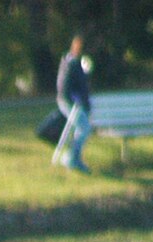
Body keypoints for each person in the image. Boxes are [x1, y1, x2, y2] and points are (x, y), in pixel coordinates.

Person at [54, 35, 93, 173]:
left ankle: (73, 157)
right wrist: (76, 101)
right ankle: (71, 159)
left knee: (83, 128)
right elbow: (65, 88)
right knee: (84, 128)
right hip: (68, 102)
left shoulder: (79, 63)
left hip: (78, 103)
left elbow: (83, 85)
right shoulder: (70, 63)